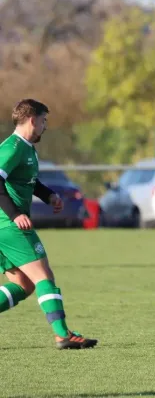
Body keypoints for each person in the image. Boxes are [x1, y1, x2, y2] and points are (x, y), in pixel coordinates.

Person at [0, 99, 98, 349]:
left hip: (5, 226)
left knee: (24, 284)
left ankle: (63, 333)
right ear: (33, 120)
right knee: (44, 276)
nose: (45, 126)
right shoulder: (12, 148)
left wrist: (49, 195)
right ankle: (63, 334)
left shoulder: (27, 148)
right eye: (44, 121)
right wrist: (14, 215)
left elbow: (28, 181)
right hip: (8, 225)